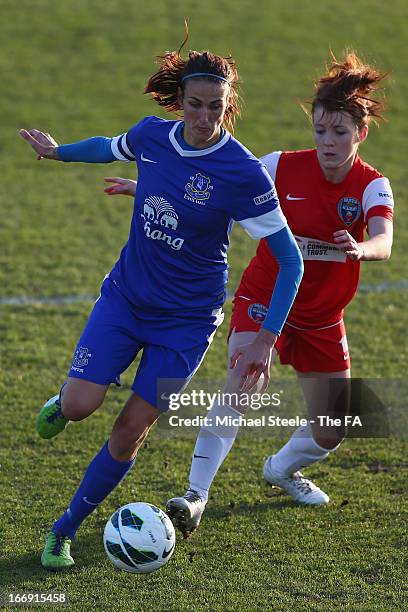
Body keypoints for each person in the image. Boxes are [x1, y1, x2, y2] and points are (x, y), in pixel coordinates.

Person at [20, 48, 303, 569]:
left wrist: (265, 340)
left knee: (129, 431)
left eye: (215, 107)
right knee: (82, 405)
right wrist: (58, 153)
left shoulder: (243, 172)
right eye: (194, 105)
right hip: (127, 298)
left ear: (228, 103)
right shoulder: (153, 136)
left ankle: (63, 529)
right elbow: (110, 148)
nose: (203, 118)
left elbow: (290, 261)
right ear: (178, 102)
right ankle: (65, 402)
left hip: (187, 322)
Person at [161, 51, 393, 536]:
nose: (328, 142)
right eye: (320, 130)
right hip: (265, 297)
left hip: (323, 317)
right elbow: (211, 188)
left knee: (330, 431)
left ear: (360, 134)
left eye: (340, 133)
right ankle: (195, 495)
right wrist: (147, 189)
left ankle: (282, 469)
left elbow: (384, 241)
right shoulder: (279, 168)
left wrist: (361, 250)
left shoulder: (372, 185)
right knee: (245, 382)